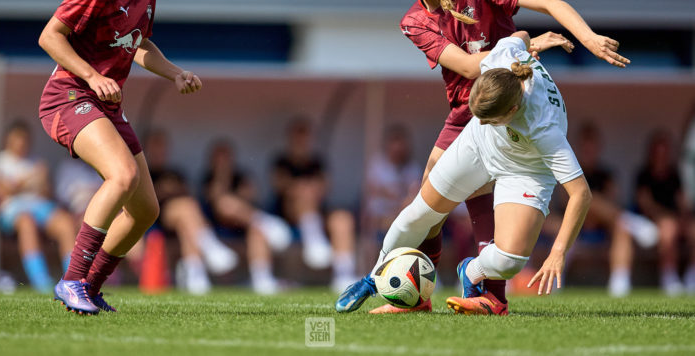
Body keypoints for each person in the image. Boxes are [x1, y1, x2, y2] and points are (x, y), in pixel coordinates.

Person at [336, 0, 629, 315]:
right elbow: (472, 69)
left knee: (480, 209)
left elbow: (552, 5)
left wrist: (589, 38)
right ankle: (407, 290)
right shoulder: (414, 21)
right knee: (427, 212)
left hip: (509, 108)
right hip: (467, 113)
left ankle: (488, 294)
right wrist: (522, 43)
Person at [338, 33, 593, 315]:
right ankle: (373, 279)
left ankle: (470, 271)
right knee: (419, 214)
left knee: (510, 261)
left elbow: (580, 193)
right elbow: (517, 36)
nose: (481, 120)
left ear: (513, 109)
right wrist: (531, 42)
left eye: (487, 117)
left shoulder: (544, 128)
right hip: (478, 145)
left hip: (526, 169)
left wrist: (558, 253)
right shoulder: (501, 57)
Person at [38, 0, 200, 315]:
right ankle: (71, 280)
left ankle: (89, 287)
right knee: (122, 176)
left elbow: (139, 45)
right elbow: (50, 36)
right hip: (68, 97)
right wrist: (92, 76)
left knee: (146, 209)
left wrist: (175, 73)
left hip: (106, 104)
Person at [545, 123, 658, 297]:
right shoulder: (569, 170)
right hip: (572, 223)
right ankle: (631, 220)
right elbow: (565, 200)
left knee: (620, 226)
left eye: (592, 148)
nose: (589, 152)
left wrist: (594, 214)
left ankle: (620, 284)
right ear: (579, 148)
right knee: (584, 198)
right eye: (585, 148)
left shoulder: (606, 175)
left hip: (601, 225)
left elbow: (613, 202)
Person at [144, 129, 238, 295]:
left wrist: (173, 189)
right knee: (186, 210)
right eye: (155, 146)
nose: (160, 151)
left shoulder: (175, 172)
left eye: (162, 146)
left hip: (180, 218)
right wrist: (161, 190)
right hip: (155, 217)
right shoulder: (144, 171)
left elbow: (188, 193)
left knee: (187, 217)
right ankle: (208, 245)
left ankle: (196, 277)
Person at [271, 117, 357, 293]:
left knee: (342, 218)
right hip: (289, 217)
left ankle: (344, 276)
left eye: (305, 137)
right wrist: (302, 188)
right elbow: (280, 185)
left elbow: (324, 187)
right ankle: (313, 239)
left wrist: (309, 189)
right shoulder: (281, 161)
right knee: (303, 193)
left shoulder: (317, 162)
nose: (302, 141)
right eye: (298, 136)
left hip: (318, 213)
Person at [0, 120, 76, 292]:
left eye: (24, 140)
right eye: (18, 139)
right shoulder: (0, 161)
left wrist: (23, 184)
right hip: (13, 210)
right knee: (26, 223)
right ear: (8, 140)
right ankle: (42, 282)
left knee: (65, 223)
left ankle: (73, 278)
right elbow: (3, 191)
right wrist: (30, 181)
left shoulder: (36, 161)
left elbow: (46, 191)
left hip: (40, 207)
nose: (21, 144)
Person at [201, 139, 292, 294]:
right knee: (225, 204)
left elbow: (251, 196)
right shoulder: (209, 178)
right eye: (219, 157)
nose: (223, 161)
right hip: (217, 228)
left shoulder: (241, 176)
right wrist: (222, 174)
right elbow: (216, 200)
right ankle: (265, 221)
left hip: (243, 225)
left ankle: (262, 280)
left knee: (257, 230)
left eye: (226, 157)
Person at [635, 130, 695, 295]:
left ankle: (692, 277)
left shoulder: (674, 175)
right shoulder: (644, 175)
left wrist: (684, 215)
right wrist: (667, 216)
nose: (662, 156)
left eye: (665, 151)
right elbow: (646, 205)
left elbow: (682, 201)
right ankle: (669, 277)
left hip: (675, 219)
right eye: (658, 152)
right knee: (669, 228)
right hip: (651, 222)